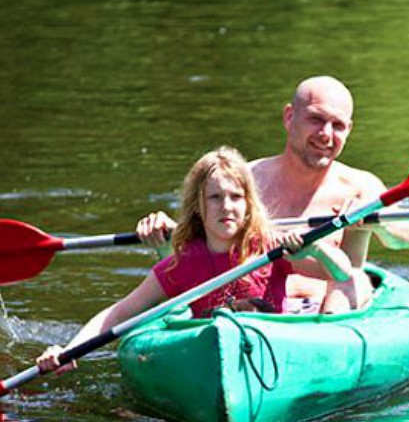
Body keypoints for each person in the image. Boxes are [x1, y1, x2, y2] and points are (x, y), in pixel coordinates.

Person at [37, 146, 351, 374]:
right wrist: (68, 350)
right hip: (211, 358)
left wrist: (312, 250)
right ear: (198, 206)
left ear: (248, 204)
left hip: (274, 350)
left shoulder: (269, 246)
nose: (226, 207)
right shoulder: (182, 264)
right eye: (215, 197)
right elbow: (120, 312)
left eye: (236, 197)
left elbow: (342, 272)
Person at [138, 76, 409, 314]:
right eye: (316, 120)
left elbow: (405, 239)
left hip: (330, 310)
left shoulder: (360, 186)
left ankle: (321, 350)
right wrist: (165, 235)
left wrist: (376, 219)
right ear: (289, 117)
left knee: (355, 277)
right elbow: (191, 252)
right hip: (254, 304)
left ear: (349, 130)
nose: (326, 135)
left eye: (338, 126)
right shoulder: (244, 181)